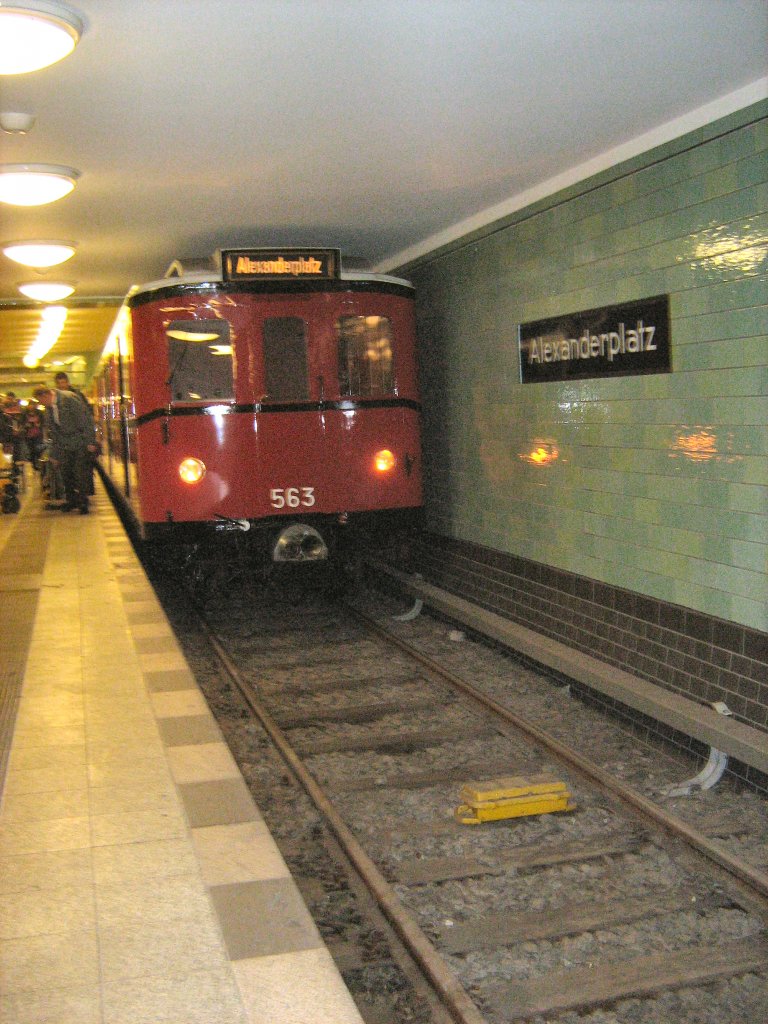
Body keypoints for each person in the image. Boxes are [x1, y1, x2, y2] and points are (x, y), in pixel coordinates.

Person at [32, 385, 98, 513]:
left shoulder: (69, 399)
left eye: (41, 401)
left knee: (80, 473)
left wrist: (90, 441)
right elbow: (54, 433)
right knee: (66, 473)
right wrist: (55, 455)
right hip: (64, 445)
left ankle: (83, 503)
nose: (41, 404)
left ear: (45, 395)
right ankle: (71, 500)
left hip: (79, 442)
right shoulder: (49, 409)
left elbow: (85, 420)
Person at [55, 371, 96, 495]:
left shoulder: (76, 395)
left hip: (80, 438)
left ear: (68, 382)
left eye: (63, 382)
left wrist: (89, 439)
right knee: (70, 470)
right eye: (59, 383)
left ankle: (83, 495)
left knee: (81, 470)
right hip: (67, 441)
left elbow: (86, 416)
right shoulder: (57, 398)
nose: (62, 385)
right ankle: (74, 496)